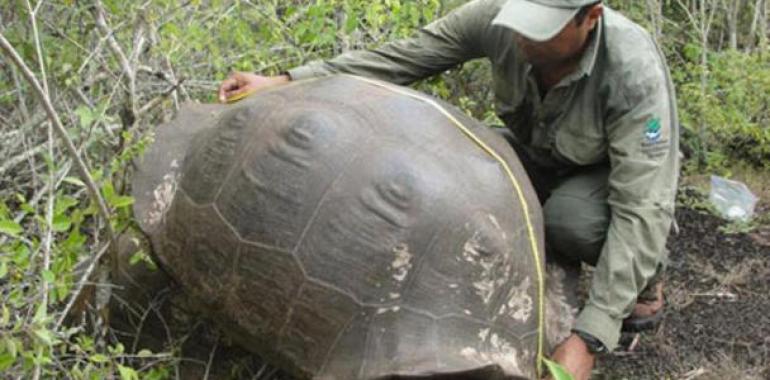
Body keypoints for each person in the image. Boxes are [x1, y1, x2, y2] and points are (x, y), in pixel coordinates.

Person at [218, 0, 679, 378]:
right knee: (451, 172)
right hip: (538, 154)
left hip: (601, 177)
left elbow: (643, 204)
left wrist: (589, 337)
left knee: (571, 221)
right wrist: (288, 81)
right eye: (522, 21)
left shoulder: (633, 71)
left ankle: (646, 281)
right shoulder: (499, 19)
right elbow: (402, 58)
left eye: (542, 28)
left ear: (591, 16)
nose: (524, 37)